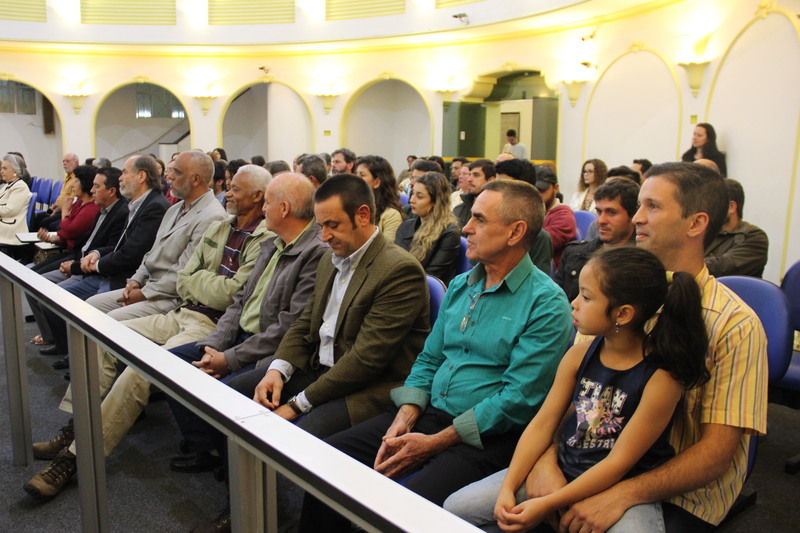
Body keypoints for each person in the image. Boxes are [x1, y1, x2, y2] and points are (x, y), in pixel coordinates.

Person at [299, 180, 573, 532]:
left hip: (485, 438)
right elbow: (428, 360)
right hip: (430, 414)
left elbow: (517, 399)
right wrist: (406, 412)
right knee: (330, 461)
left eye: (480, 219)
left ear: (515, 232)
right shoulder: (463, 285)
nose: (466, 228)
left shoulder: (546, 303)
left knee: (395, 507)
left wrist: (434, 442)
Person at [526, 162, 767, 532]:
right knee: (465, 511)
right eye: (639, 205)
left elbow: (716, 456)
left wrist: (622, 494)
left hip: (676, 492)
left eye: (652, 206)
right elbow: (574, 398)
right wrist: (547, 459)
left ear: (696, 223)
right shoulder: (612, 293)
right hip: (588, 460)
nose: (637, 217)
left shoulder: (735, 324)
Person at [23, 165, 271, 501]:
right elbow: (183, 275)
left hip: (211, 326)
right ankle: (76, 426)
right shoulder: (222, 225)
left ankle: (75, 457)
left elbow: (231, 294)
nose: (227, 192)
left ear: (259, 196)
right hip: (181, 310)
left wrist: (198, 283)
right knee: (105, 339)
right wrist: (167, 282)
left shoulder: (262, 238)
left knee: (140, 372)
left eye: (236, 189)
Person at [444, 246, 710, 532]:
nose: (573, 303)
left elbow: (619, 462)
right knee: (456, 508)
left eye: (586, 297)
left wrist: (548, 503)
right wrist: (509, 488)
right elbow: (542, 425)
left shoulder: (661, 378)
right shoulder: (578, 355)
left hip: (617, 487)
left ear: (622, 314)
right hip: (566, 466)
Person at [83, 150, 228, 321]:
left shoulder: (212, 216)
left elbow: (184, 273)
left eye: (177, 172)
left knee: (113, 319)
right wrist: (135, 281)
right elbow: (152, 253)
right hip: (149, 285)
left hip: (173, 297)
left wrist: (143, 293)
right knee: (91, 305)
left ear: (196, 179)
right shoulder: (175, 209)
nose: (169, 177)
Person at [27, 167, 129, 348]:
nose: (92, 190)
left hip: (91, 268)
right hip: (78, 260)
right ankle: (60, 342)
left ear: (112, 191)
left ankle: (67, 347)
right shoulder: (101, 209)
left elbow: (71, 231)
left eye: (96, 187)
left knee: (51, 295)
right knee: (37, 284)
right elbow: (80, 239)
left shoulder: (112, 212)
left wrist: (74, 266)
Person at [555, 179, 639, 301]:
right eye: (599, 212)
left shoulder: (642, 263)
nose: (601, 220)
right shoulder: (574, 254)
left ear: (633, 215)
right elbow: (555, 302)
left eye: (611, 213)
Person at [394, 171, 460, 284]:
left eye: (419, 196)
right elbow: (393, 263)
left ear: (436, 201)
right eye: (413, 194)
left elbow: (431, 277)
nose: (412, 200)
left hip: (421, 291)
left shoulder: (449, 233)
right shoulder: (406, 226)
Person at [704, 178, 768, 278]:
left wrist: (684, 265)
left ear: (731, 207)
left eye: (711, 204)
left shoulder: (754, 237)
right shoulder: (705, 232)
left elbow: (723, 267)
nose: (706, 209)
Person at [36, 165, 100, 257]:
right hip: (67, 249)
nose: (73, 185)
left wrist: (65, 209)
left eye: (76, 181)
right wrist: (50, 239)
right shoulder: (79, 202)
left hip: (76, 255)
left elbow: (69, 231)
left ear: (85, 183)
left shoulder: (91, 208)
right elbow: (65, 234)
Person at [354, 155, 404, 241]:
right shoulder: (353, 208)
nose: (356, 179)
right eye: (356, 174)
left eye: (362, 175)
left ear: (377, 182)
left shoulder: (391, 215)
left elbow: (387, 250)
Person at [534, 165, 576, 268]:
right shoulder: (527, 211)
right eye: (534, 189)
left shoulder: (564, 216)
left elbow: (540, 244)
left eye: (542, 190)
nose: (538, 194)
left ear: (556, 188)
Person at [0, 153, 33, 255]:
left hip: (10, 225)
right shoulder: (7, 186)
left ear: (14, 171)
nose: (1, 171)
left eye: (5, 169)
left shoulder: (20, 187)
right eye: (1, 168)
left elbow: (10, 210)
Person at [453, 158, 495, 229]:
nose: (469, 179)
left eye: (476, 175)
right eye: (469, 175)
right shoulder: (459, 209)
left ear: (491, 180)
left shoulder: (498, 211)